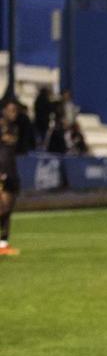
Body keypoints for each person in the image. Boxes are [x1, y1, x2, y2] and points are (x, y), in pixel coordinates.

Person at [0, 99, 32, 256]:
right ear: (4, 110)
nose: (14, 113)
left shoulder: (15, 128)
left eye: (16, 110)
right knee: (3, 206)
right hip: (2, 170)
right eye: (11, 110)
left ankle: (3, 244)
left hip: (11, 169)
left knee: (9, 207)